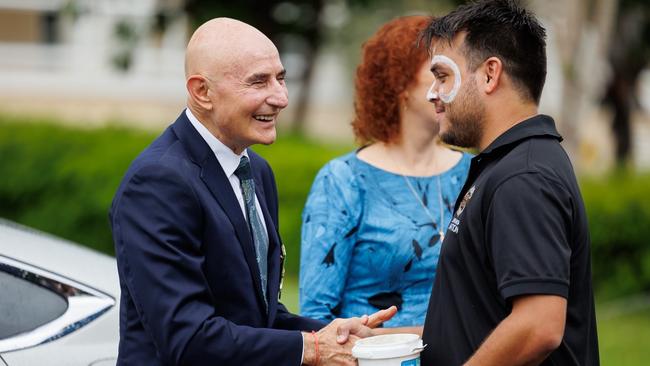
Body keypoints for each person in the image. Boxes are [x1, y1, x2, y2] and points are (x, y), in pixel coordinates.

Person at [109, 17, 395, 366]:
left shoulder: (256, 170)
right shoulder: (157, 182)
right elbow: (187, 338)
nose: (281, 97)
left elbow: (257, 315)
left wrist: (332, 334)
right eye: (259, 81)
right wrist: (312, 349)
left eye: (281, 78)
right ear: (202, 92)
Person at [416, 0, 600, 364]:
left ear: (489, 74)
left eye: (442, 76)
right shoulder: (509, 164)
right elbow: (480, 318)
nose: (431, 94)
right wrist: (380, 335)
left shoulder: (523, 176)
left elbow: (538, 325)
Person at [299, 15, 471, 327]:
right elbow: (315, 316)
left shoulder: (474, 172)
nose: (451, 85)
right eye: (439, 73)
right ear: (400, 83)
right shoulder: (343, 181)